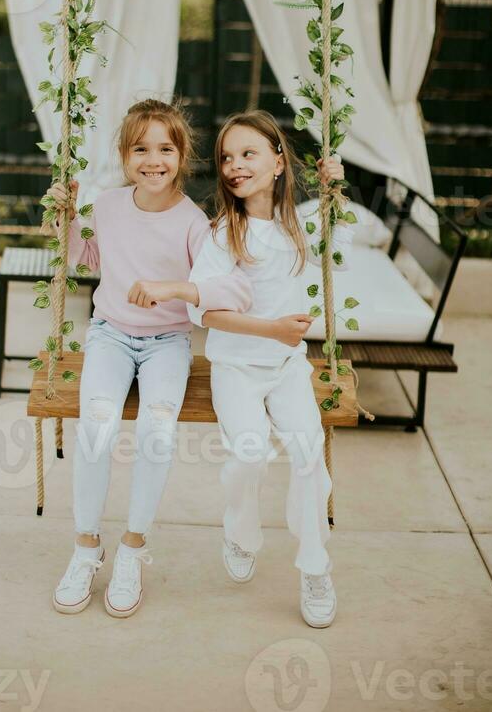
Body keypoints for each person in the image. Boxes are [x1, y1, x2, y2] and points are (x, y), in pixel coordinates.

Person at [132, 110, 353, 628]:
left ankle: (315, 567)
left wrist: (335, 186)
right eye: (227, 157)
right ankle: (240, 532)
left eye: (248, 154)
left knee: (307, 456)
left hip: (286, 368)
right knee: (249, 453)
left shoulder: (300, 226)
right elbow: (204, 311)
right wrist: (271, 327)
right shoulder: (222, 234)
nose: (234, 166)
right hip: (235, 367)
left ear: (279, 162)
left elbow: (334, 236)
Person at [45, 99, 253, 619]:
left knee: (157, 432)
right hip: (110, 336)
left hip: (167, 344)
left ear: (182, 156)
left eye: (165, 148)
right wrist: (64, 218)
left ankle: (133, 549)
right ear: (124, 155)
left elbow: (216, 287)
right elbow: (85, 257)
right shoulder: (108, 206)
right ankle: (86, 547)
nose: (153, 159)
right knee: (96, 427)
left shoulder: (193, 224)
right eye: (141, 148)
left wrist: (171, 290)